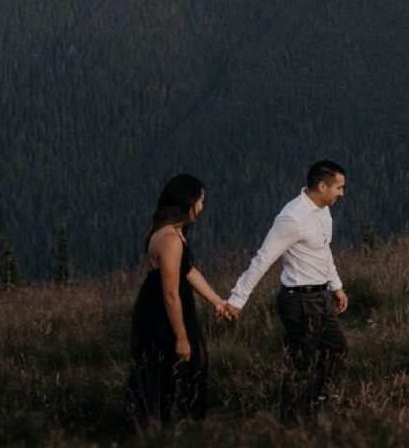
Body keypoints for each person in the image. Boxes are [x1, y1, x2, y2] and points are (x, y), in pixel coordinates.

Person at [227, 159, 349, 419]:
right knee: (301, 362)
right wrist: (237, 299)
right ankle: (293, 418)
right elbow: (263, 258)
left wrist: (336, 286)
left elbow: (323, 251)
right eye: (338, 188)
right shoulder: (292, 218)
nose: (342, 193)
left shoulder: (323, 211)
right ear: (322, 186)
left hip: (321, 295)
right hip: (299, 300)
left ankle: (316, 401)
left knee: (336, 347)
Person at [128, 173, 237, 428]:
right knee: (180, 364)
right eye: (200, 201)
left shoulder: (167, 232)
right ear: (188, 203)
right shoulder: (170, 239)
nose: (201, 207)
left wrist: (216, 301)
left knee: (172, 367)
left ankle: (172, 424)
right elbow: (170, 293)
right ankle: (177, 424)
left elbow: (187, 270)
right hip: (163, 311)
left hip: (158, 303)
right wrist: (181, 337)